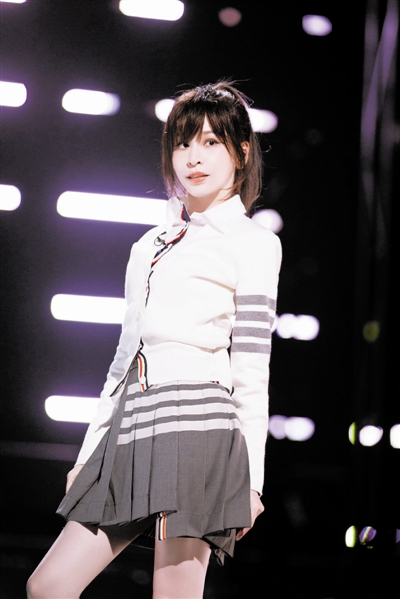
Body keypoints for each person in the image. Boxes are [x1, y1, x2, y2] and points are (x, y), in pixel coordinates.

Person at [26, 79, 282, 599]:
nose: (193, 157)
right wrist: (89, 453)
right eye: (183, 143)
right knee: (48, 587)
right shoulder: (149, 244)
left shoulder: (254, 243)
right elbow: (123, 358)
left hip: (199, 430)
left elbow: (253, 366)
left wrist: (252, 481)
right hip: (132, 423)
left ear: (241, 152)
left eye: (211, 142)